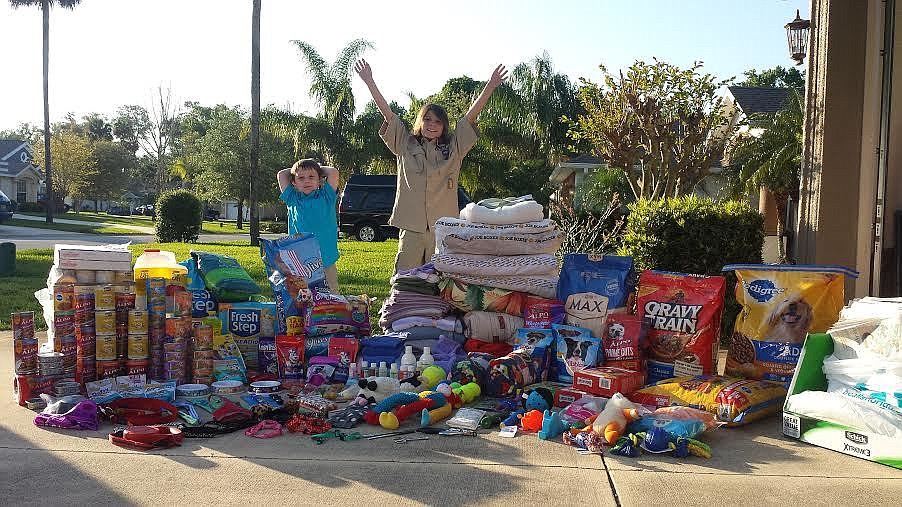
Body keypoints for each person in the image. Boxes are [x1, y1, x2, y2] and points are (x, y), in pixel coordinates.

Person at [354, 58, 508, 272]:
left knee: (440, 282)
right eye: (427, 120)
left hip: (442, 228)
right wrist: (369, 81)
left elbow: (469, 118)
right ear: (420, 122)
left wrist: (490, 85)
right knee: (406, 281)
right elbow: (388, 115)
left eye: (437, 121)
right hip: (412, 228)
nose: (432, 125)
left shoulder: (454, 148)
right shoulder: (405, 144)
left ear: (444, 126)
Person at [277, 159, 341, 291]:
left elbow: (333, 172)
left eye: (311, 177)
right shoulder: (292, 198)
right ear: (293, 182)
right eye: (301, 178)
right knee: (302, 295)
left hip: (326, 258)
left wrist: (314, 167)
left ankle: (331, 311)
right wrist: (299, 168)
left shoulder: (326, 196)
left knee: (332, 294)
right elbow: (281, 174)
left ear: (320, 180)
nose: (306, 181)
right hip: (299, 259)